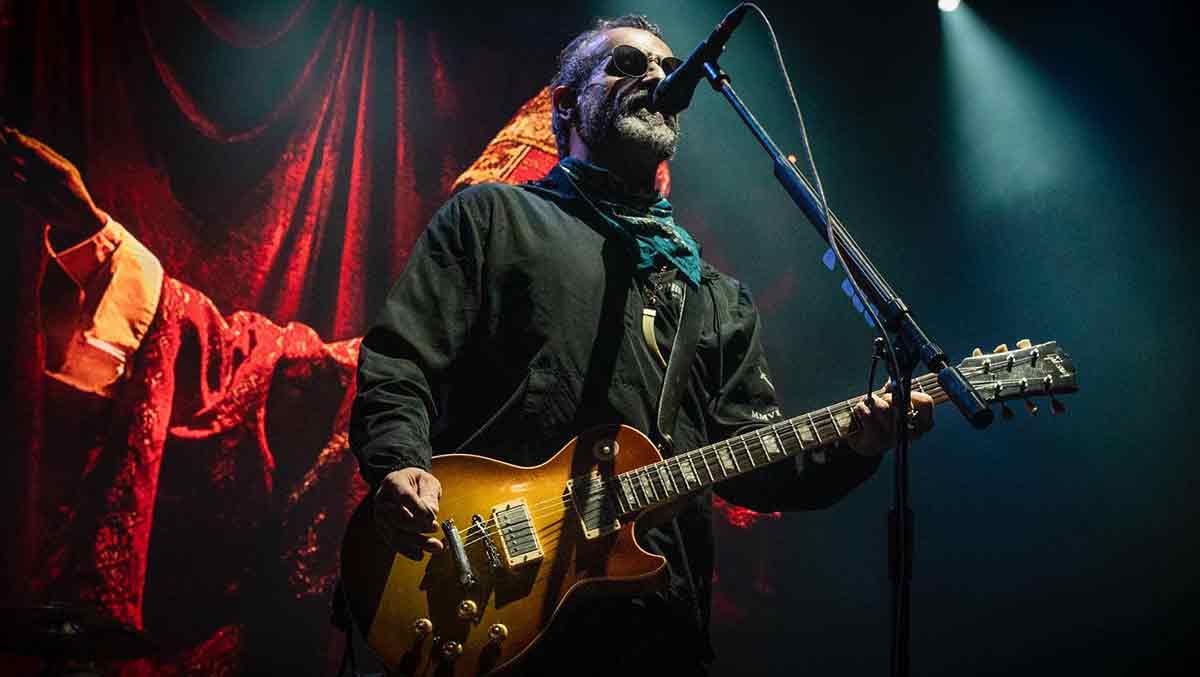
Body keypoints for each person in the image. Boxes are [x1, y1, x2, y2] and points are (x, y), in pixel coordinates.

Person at [351, 14, 935, 675]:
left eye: (668, 67)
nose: (658, 76)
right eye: (628, 64)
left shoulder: (714, 295)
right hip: (494, 600)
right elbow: (401, 358)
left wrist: (857, 447)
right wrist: (398, 461)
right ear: (567, 104)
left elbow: (757, 460)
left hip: (655, 626)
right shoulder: (493, 219)